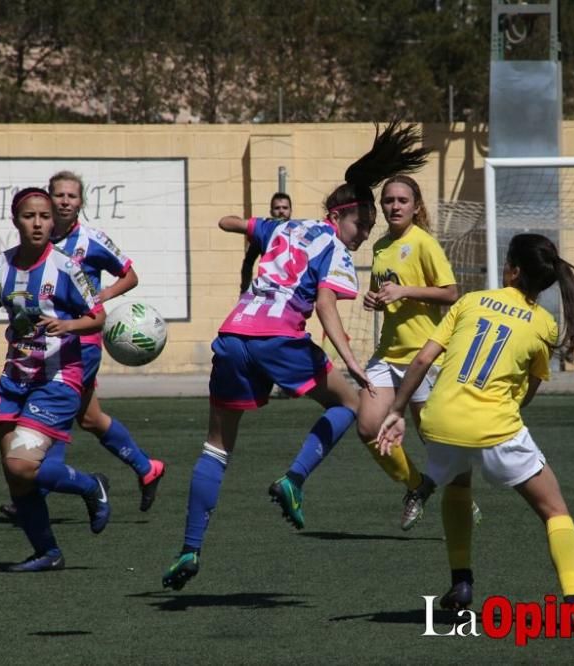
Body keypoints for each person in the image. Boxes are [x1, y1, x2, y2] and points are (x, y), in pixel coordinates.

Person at [162, 120, 430, 591]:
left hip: (232, 335)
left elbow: (231, 222)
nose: (364, 233)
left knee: (216, 447)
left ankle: (190, 547)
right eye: (360, 223)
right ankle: (293, 479)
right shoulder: (335, 249)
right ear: (338, 215)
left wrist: (247, 227)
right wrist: (349, 361)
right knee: (349, 404)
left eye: (370, 227)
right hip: (278, 339)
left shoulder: (285, 227)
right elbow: (325, 305)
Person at [377, 233, 574, 609]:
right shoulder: (544, 324)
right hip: (494, 428)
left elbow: (422, 361)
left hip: (439, 421)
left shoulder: (471, 301)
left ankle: (461, 583)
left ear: (513, 271)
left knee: (458, 485)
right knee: (555, 511)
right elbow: (528, 393)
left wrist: (396, 411)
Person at [0, 187, 112, 572]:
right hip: (14, 379)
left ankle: (91, 485)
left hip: (58, 377)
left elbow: (98, 316)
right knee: (17, 478)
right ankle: (48, 553)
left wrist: (69, 323)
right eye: (30, 216)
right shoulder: (1, 265)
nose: (39, 223)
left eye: (44, 216)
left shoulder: (65, 267)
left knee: (23, 464)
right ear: (16, 220)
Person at [0, 171, 165, 521]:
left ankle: (32, 490)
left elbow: (130, 275)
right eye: (58, 195)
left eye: (71, 196)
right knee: (89, 418)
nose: (64, 201)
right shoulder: (39, 241)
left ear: (81, 203)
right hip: (46, 346)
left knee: (54, 414)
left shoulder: (92, 240)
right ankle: (146, 467)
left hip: (80, 342)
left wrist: (104, 294)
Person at [356, 174, 463, 530]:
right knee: (368, 425)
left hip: (423, 357)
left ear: (416, 207)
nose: (395, 206)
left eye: (402, 200)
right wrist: (375, 299)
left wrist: (407, 292)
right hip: (387, 354)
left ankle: (460, 499)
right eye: (389, 200)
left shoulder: (424, 243)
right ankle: (416, 487)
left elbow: (450, 293)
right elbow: (384, 292)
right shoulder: (380, 246)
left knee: (433, 438)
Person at [240, 192, 293, 293]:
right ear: (271, 211)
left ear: (290, 210)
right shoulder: (263, 233)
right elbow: (248, 262)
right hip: (270, 288)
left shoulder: (299, 232)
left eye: (285, 208)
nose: (281, 211)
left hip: (294, 291)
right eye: (277, 208)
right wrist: (244, 288)